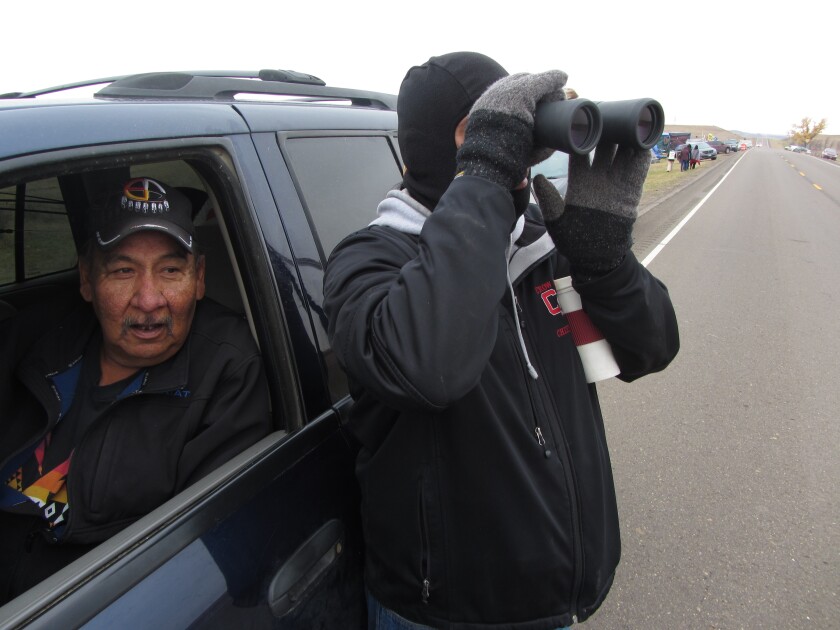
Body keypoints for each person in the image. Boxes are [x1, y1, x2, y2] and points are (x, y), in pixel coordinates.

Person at [323, 52, 679, 629]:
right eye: (496, 130)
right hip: (448, 615)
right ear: (456, 143)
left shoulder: (542, 246)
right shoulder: (368, 262)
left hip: (554, 603)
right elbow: (430, 366)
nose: (518, 150)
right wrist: (484, 171)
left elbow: (650, 349)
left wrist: (606, 263)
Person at [0, 177, 272, 603]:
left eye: (170, 271)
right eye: (123, 271)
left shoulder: (225, 371)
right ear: (87, 280)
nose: (149, 301)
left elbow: (200, 555)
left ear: (199, 278)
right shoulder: (37, 340)